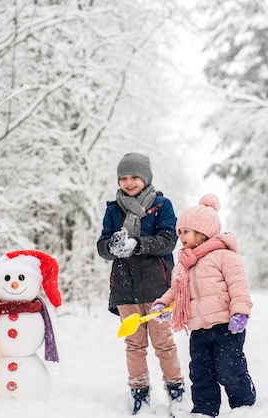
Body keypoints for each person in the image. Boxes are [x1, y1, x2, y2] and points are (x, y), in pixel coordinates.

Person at [151, 193, 256, 417]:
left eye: (186, 231)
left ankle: (244, 405)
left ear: (203, 232)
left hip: (225, 325)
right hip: (198, 328)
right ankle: (204, 410)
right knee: (201, 372)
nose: (181, 237)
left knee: (229, 368)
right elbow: (175, 291)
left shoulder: (224, 256)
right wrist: (163, 304)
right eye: (179, 232)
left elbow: (238, 285)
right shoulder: (184, 265)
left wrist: (240, 312)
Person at [97, 152, 185, 415]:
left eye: (134, 176)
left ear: (145, 178)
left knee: (163, 342)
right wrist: (113, 245)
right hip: (125, 288)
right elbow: (102, 246)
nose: (129, 182)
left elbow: (169, 240)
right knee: (134, 343)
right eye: (123, 178)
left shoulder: (162, 205)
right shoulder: (113, 208)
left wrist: (137, 244)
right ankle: (139, 392)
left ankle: (176, 390)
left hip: (159, 288)